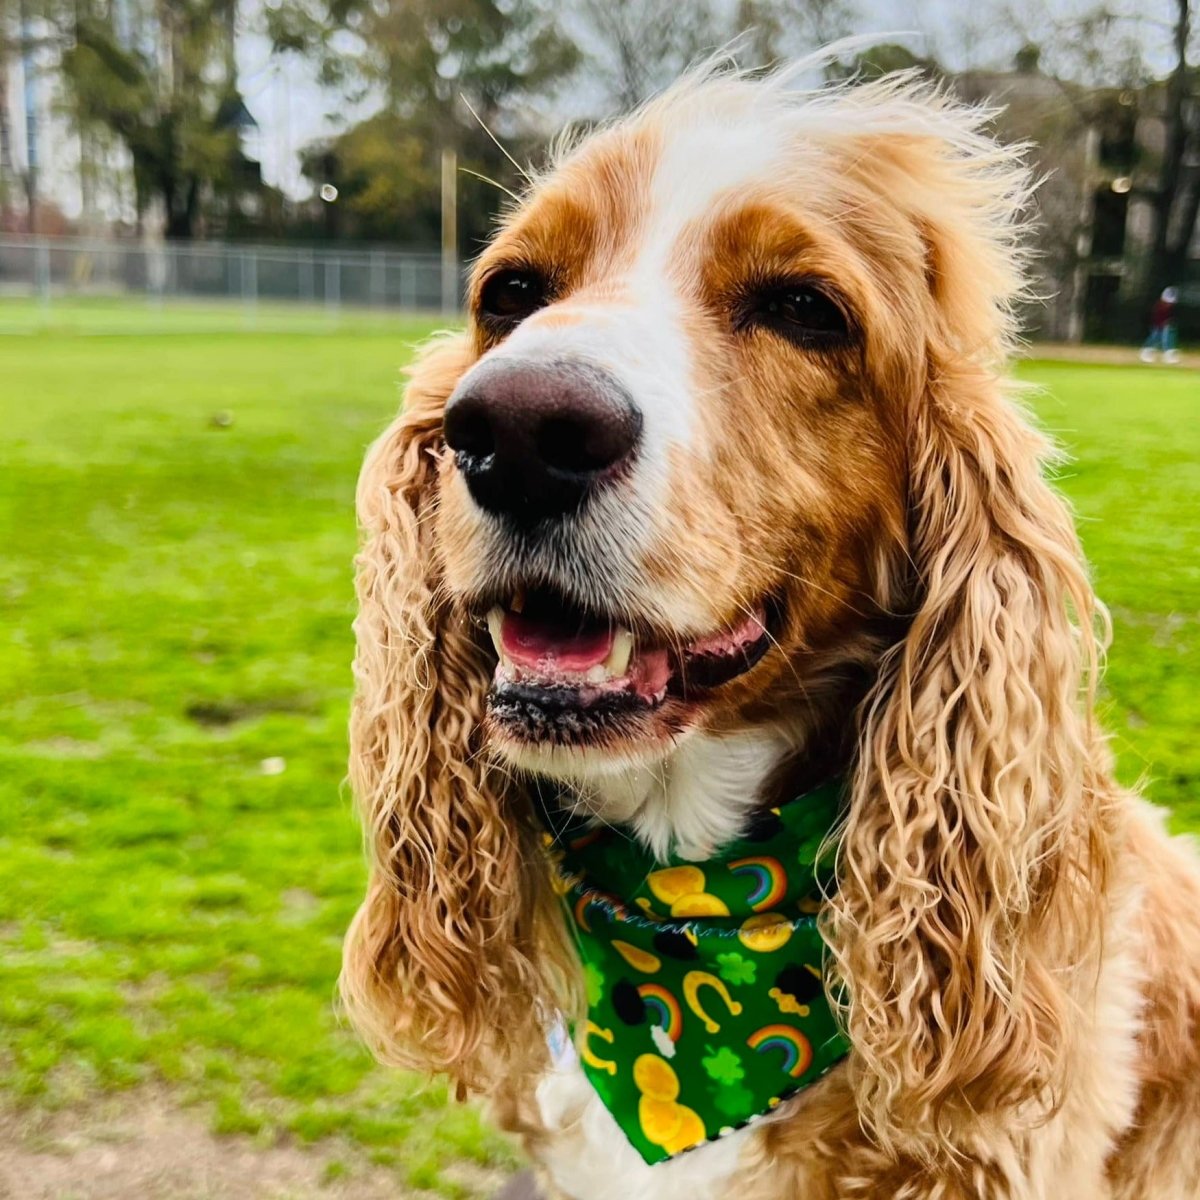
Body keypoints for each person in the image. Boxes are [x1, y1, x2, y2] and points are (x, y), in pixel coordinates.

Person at [1140, 286, 1181, 363]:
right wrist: (1161, 325)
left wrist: (1168, 323)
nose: (1169, 304)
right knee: (1154, 337)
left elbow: (1173, 318)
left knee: (1169, 337)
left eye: (1170, 303)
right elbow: (1153, 318)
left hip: (1166, 325)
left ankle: (1169, 355)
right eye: (1167, 302)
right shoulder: (1157, 307)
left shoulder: (1173, 308)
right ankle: (1146, 353)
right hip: (1157, 324)